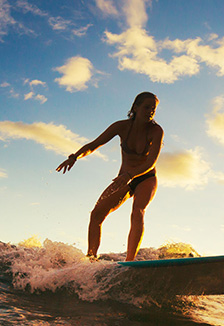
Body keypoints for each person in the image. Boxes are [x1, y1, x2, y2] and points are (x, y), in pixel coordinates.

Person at [56, 92, 163, 261]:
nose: (150, 111)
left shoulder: (156, 131)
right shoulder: (121, 127)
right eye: (146, 107)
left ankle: (130, 261)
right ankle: (91, 258)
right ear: (135, 107)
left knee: (138, 211)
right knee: (96, 215)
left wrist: (130, 174)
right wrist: (74, 156)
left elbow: (151, 162)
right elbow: (94, 144)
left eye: (153, 108)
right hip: (123, 178)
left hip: (146, 178)